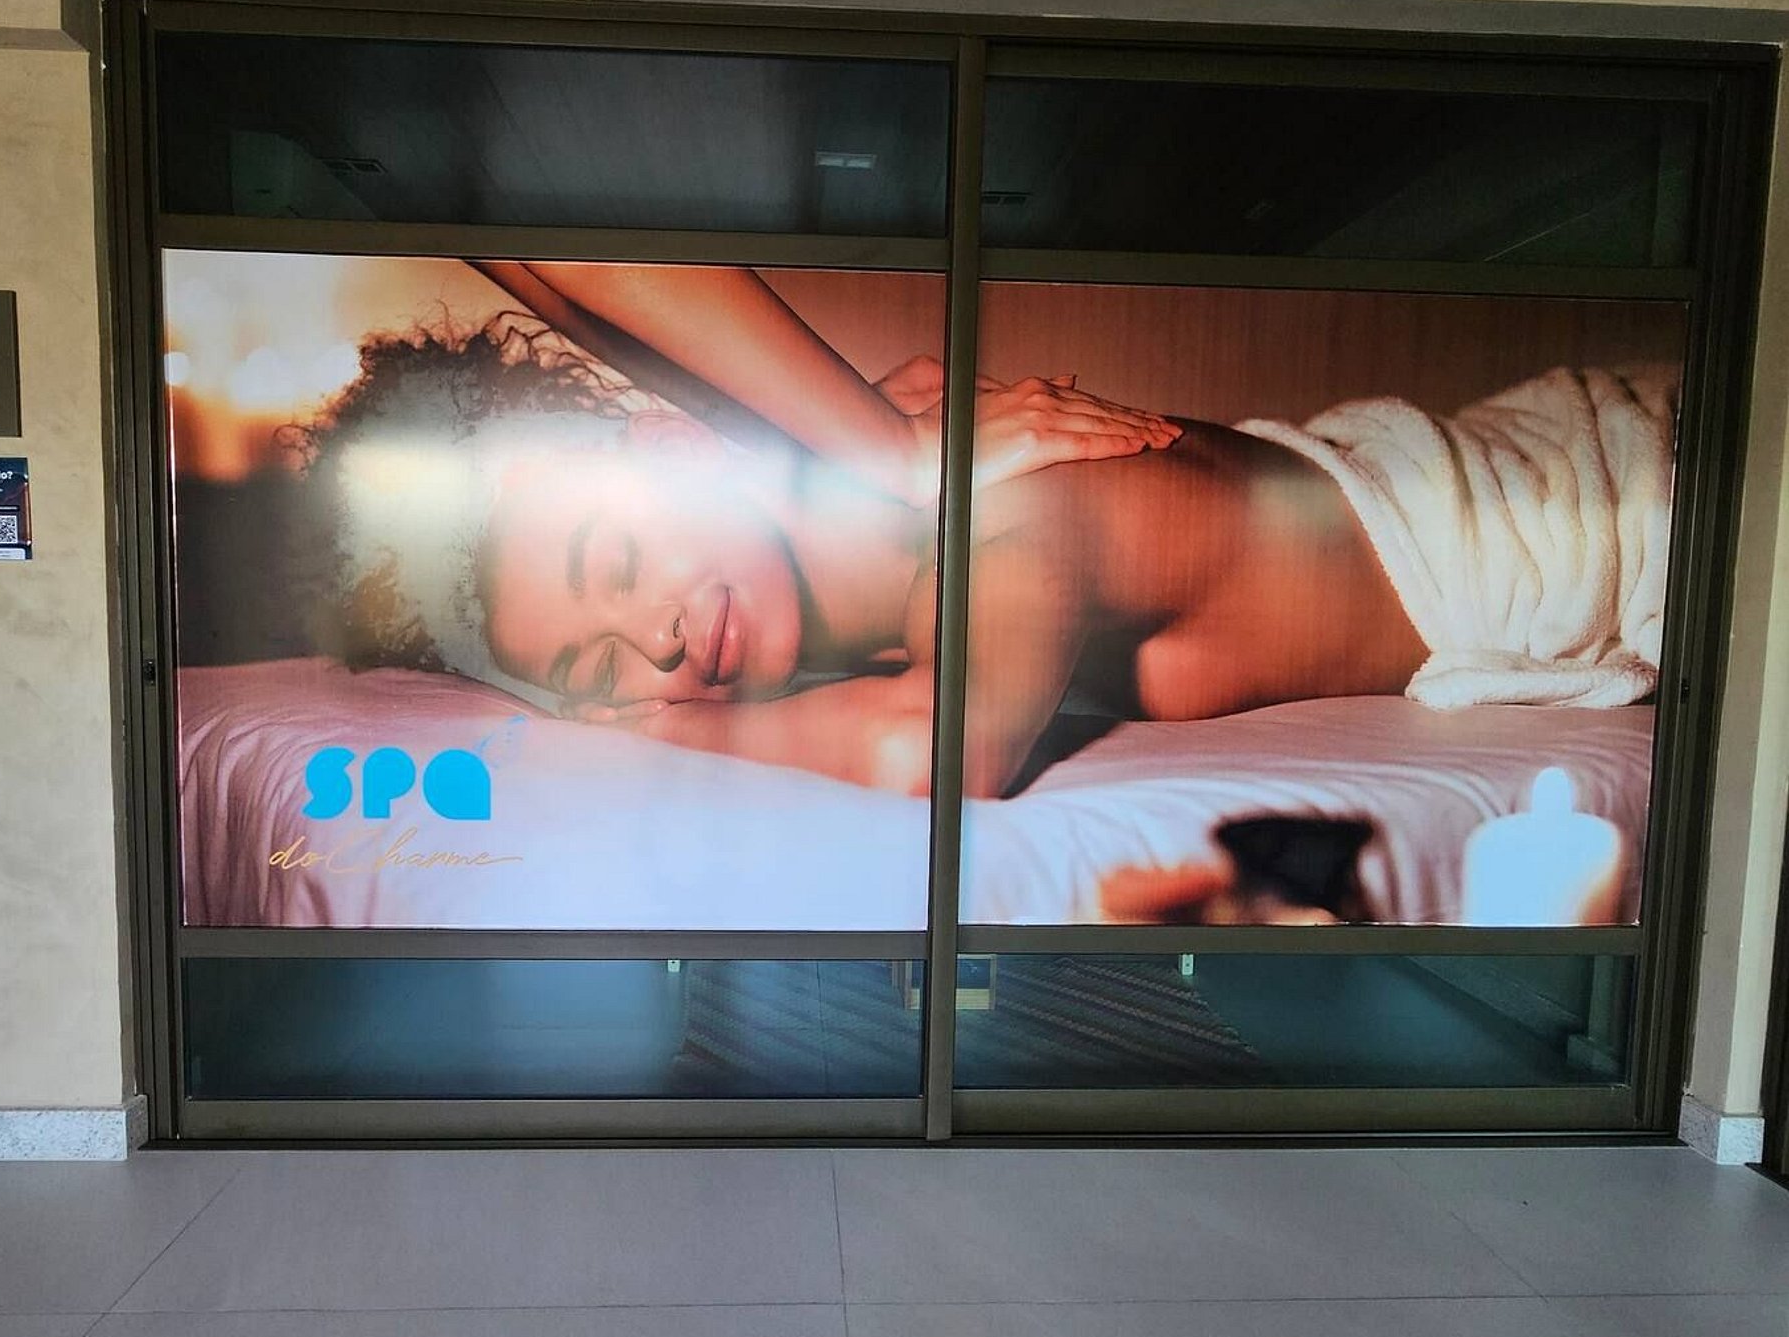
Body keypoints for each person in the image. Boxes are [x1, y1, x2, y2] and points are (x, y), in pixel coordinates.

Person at [299, 258, 1674, 799]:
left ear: (668, 454)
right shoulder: (830, 454)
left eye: (614, 565)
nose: (654, 637)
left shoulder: (1008, 524)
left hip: (1625, 498)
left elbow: (929, 748)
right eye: (598, 666)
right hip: (1440, 451)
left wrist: (634, 725)